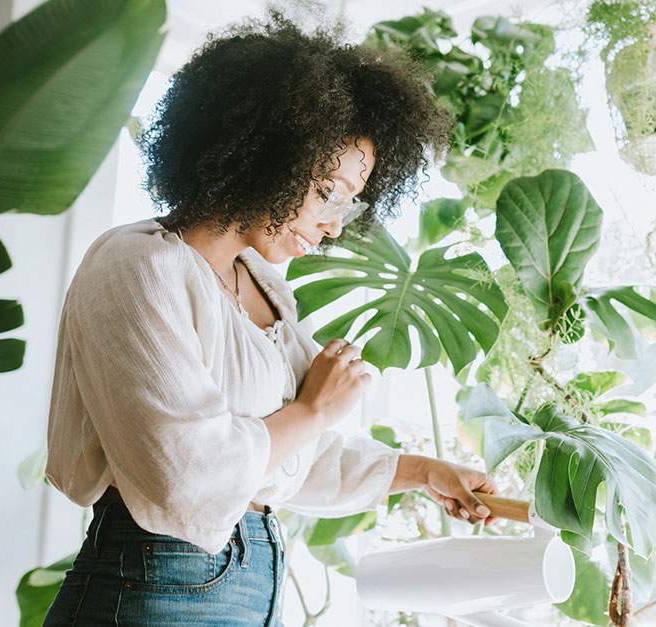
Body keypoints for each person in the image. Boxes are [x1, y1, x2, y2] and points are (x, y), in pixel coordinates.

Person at [42, 11, 495, 626]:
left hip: (257, 581)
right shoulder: (137, 266)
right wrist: (312, 409)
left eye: (351, 200)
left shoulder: (266, 287)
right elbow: (187, 473)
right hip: (155, 586)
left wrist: (422, 472)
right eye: (328, 191)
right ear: (266, 153)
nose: (336, 222)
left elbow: (284, 460)